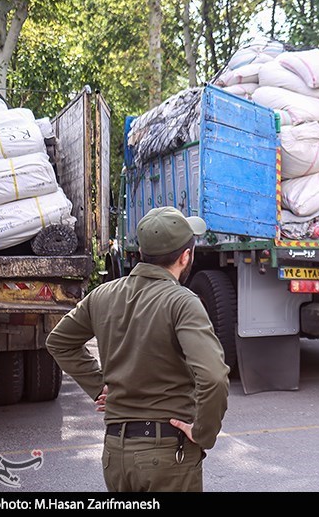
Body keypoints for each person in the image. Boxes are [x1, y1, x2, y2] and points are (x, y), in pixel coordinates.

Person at [46, 206, 230, 492]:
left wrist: (98, 386)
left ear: (141, 253)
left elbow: (59, 341)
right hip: (168, 455)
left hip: (116, 456)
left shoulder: (103, 295)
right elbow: (214, 376)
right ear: (186, 256)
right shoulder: (182, 302)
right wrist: (203, 433)